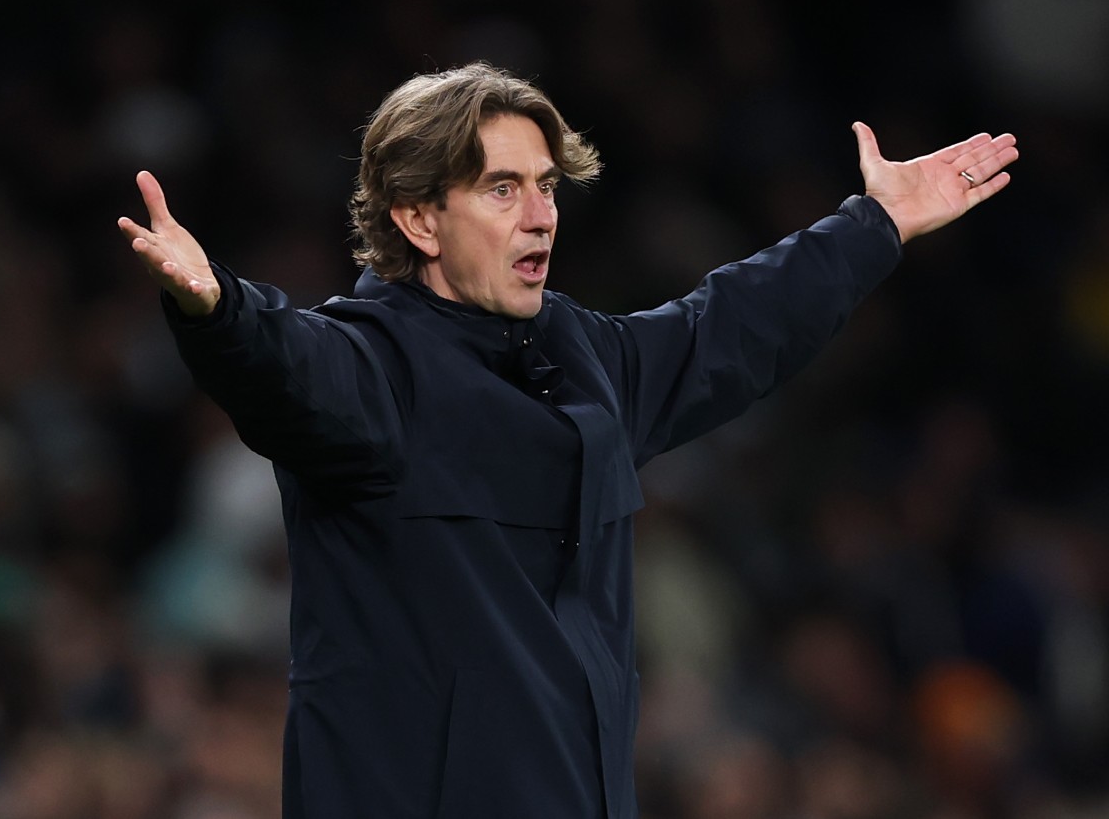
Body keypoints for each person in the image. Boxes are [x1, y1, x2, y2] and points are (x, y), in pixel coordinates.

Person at [117, 61, 1018, 819]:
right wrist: (217, 309)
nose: (541, 214)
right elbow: (281, 364)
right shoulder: (368, 368)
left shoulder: (585, 356)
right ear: (418, 217)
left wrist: (875, 223)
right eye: (502, 189)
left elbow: (731, 326)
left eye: (546, 186)